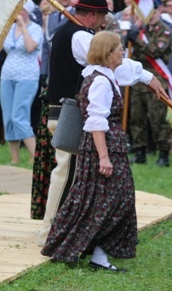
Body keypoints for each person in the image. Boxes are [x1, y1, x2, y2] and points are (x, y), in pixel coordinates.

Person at [33, 0, 166, 246]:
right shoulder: (80, 36)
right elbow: (110, 62)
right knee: (67, 173)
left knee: (70, 173)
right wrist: (147, 76)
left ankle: (63, 228)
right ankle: (49, 232)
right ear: (93, 14)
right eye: (103, 15)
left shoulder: (70, 31)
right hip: (67, 114)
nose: (105, 20)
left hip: (63, 112)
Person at [41, 31, 138, 272]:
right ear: (108, 54)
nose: (122, 52)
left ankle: (95, 254)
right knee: (110, 201)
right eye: (119, 48)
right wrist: (104, 157)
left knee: (102, 201)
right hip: (103, 148)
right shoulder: (100, 81)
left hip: (108, 146)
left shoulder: (102, 77)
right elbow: (95, 121)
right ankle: (71, 248)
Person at [126, 4, 172, 166]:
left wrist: (137, 40)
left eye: (153, 11)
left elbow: (154, 51)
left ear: (159, 11)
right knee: (137, 118)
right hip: (138, 80)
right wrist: (129, 38)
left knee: (157, 119)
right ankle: (140, 152)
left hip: (156, 80)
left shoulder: (164, 30)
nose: (150, 15)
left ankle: (163, 154)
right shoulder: (141, 30)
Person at [0, 0, 43, 165]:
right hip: (7, 75)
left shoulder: (36, 29)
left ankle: (35, 156)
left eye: (22, 9)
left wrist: (23, 26)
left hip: (27, 77)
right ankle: (15, 158)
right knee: (9, 118)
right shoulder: (9, 28)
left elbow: (30, 46)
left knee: (19, 116)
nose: (18, 12)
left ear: (28, 12)